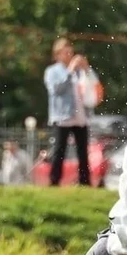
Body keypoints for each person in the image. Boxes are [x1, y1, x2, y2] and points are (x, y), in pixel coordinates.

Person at [44, 38, 92, 186]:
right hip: (63, 116)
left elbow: (89, 86)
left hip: (80, 116)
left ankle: (85, 181)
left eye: (70, 52)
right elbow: (56, 90)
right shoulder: (52, 71)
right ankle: (54, 180)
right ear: (58, 54)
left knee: (83, 151)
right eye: (65, 52)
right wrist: (69, 71)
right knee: (59, 150)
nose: (69, 55)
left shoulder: (78, 72)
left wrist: (86, 69)